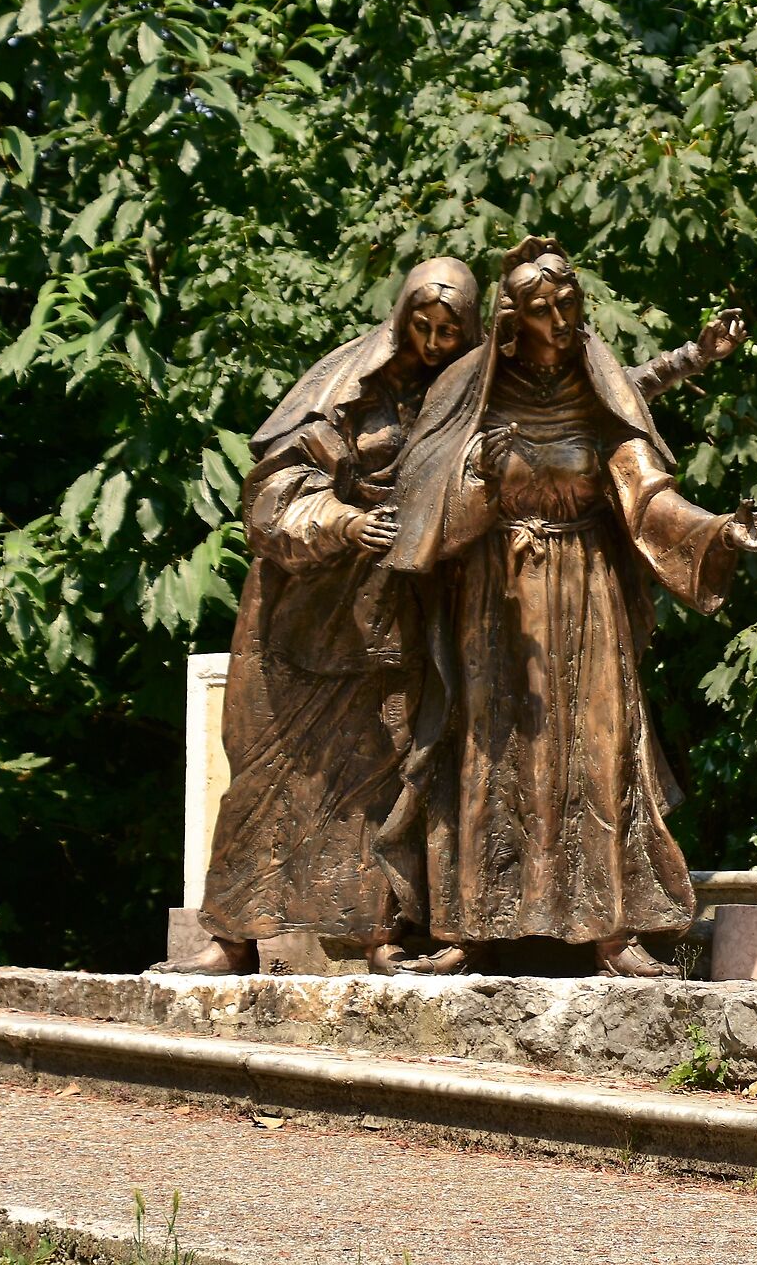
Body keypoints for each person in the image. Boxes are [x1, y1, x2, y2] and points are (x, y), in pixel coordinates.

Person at [381, 238, 757, 977]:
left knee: (600, 753)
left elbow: (647, 492)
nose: (562, 321)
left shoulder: (599, 396)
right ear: (512, 319)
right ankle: (470, 928)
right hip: (492, 601)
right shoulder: (469, 395)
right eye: (544, 310)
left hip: (587, 589)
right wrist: (477, 480)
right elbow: (426, 512)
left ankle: (612, 930)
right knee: (485, 755)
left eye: (570, 306)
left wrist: (718, 530)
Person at [166, 256, 479, 976]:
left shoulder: (466, 394)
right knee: (268, 776)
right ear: (400, 317)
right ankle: (235, 936)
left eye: (449, 332)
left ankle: (382, 934)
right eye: (422, 326)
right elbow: (274, 495)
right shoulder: (342, 388)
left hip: (394, 615)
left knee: (382, 776)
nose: (433, 343)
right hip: (303, 613)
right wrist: (341, 523)